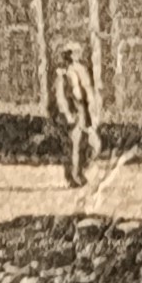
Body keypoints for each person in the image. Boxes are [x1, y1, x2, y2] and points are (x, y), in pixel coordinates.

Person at [48, 40, 101, 187]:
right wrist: (67, 115)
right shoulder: (62, 74)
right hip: (74, 111)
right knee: (74, 148)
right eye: (71, 53)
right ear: (66, 56)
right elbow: (60, 97)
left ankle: (81, 170)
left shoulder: (82, 69)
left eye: (76, 52)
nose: (74, 56)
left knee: (94, 145)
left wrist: (94, 113)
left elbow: (89, 91)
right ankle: (74, 177)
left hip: (86, 111)